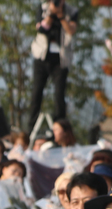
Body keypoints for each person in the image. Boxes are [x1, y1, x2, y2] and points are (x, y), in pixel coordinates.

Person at [25, 0, 77, 135]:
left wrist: (60, 15)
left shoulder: (71, 11)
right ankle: (31, 128)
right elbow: (41, 29)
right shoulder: (42, 8)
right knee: (36, 93)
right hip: (42, 57)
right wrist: (50, 14)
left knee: (59, 95)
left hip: (61, 59)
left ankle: (60, 128)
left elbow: (71, 31)